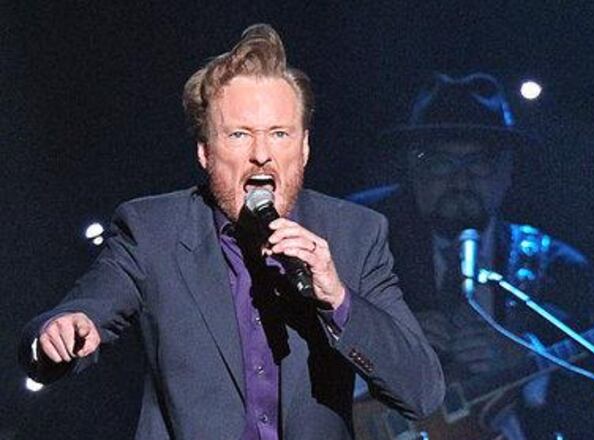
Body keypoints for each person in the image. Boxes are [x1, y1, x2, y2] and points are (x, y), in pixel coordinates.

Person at [17, 24, 444, 440]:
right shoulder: (153, 230)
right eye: (240, 134)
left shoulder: (355, 234)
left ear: (304, 147)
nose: (261, 154)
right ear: (205, 151)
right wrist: (60, 333)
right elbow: (80, 312)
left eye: (279, 134)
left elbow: (422, 393)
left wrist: (338, 299)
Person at [355, 73, 594, 439]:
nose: (460, 182)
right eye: (441, 162)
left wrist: (528, 364)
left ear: (507, 172)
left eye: (479, 162)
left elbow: (589, 397)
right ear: (413, 168)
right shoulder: (356, 243)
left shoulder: (558, 269)